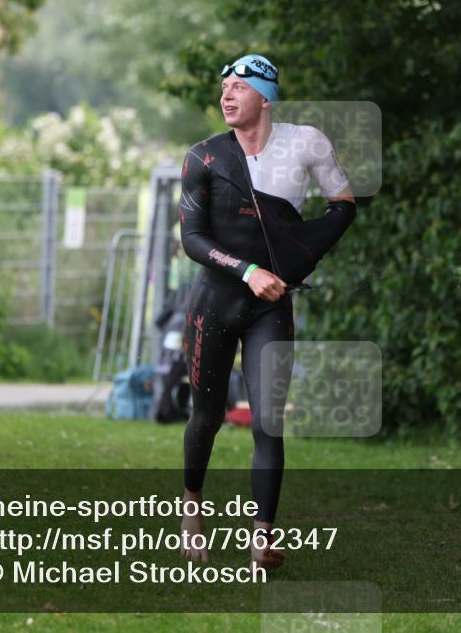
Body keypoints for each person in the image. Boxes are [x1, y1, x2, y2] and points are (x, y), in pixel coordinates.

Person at [177, 53, 356, 571]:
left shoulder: (306, 144)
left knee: (269, 423)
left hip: (270, 308)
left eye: (238, 87)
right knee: (207, 417)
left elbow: (342, 205)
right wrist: (247, 269)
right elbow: (192, 239)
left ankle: (262, 539)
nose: (226, 95)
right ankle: (191, 513)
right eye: (224, 87)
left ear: (265, 97)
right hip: (214, 303)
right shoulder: (204, 158)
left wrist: (301, 255)